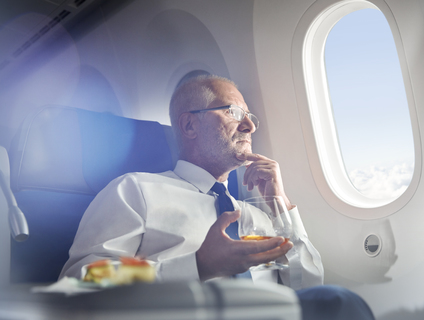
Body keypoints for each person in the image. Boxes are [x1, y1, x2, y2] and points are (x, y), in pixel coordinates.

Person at [60, 75, 374, 320]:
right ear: (189, 125)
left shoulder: (255, 216)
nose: (250, 125)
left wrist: (280, 203)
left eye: (250, 116)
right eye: (233, 111)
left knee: (333, 303)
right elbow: (84, 279)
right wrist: (197, 266)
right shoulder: (136, 190)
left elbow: (308, 285)